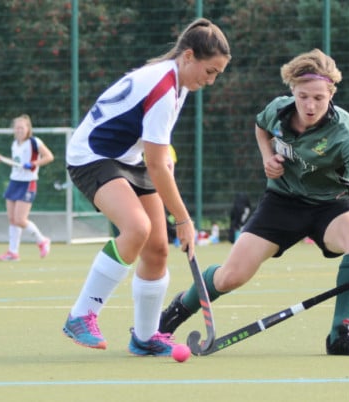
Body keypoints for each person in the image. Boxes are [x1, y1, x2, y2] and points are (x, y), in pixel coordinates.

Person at [159, 49, 349, 356]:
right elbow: (261, 127)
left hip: (331, 205)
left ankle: (341, 333)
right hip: (282, 202)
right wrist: (267, 157)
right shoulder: (277, 110)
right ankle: (175, 312)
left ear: (331, 94)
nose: (310, 106)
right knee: (231, 277)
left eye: (318, 97)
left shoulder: (346, 135)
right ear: (292, 91)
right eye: (303, 97)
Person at [63, 18, 231, 356]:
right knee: (137, 228)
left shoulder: (180, 83)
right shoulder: (164, 87)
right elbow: (155, 166)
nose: (211, 80)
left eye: (217, 74)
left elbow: (157, 152)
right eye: (210, 71)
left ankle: (145, 337)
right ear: (188, 56)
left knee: (157, 248)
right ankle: (81, 315)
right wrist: (183, 219)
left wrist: (164, 160)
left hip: (129, 158)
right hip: (93, 156)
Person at [0, 114, 54, 261]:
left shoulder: (34, 142)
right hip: (14, 182)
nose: (19, 130)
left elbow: (49, 157)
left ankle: (42, 240)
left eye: (22, 128)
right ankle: (13, 252)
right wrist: (1, 159)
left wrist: (33, 164)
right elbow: (16, 163)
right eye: (17, 128)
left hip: (28, 182)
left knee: (20, 219)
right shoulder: (15, 144)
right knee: (12, 219)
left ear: (28, 129)